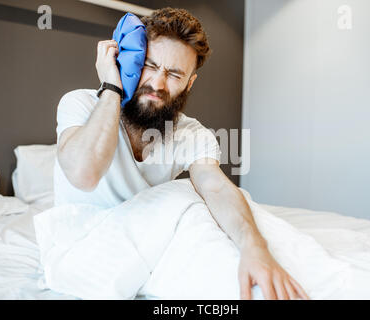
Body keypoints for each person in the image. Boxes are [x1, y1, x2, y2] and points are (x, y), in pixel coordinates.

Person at [54, 7, 309, 300]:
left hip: (147, 253)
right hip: (79, 256)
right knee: (185, 193)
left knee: (225, 214)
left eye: (174, 74)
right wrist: (111, 86)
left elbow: (214, 186)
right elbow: (83, 174)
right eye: (149, 66)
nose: (158, 84)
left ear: (190, 83)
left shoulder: (192, 133)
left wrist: (255, 248)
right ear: (128, 60)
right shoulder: (82, 105)